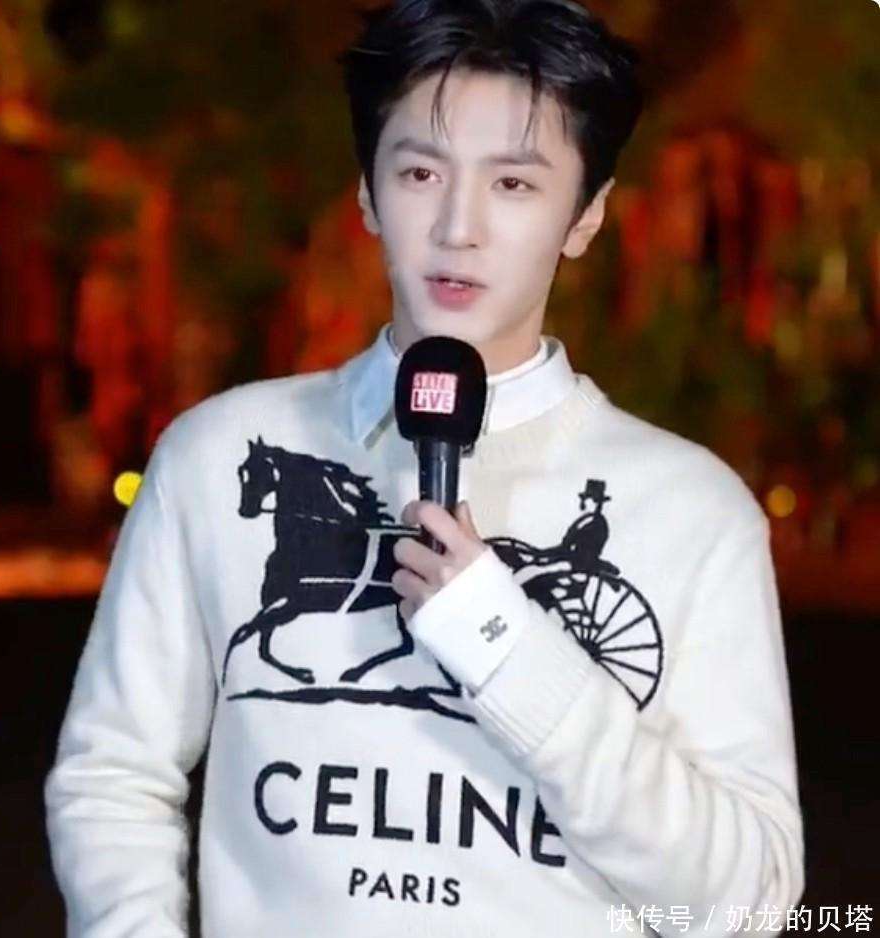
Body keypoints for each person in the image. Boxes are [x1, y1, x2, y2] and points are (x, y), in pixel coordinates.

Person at [44, 1, 805, 935]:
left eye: (514, 184)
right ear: (368, 194)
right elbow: (112, 776)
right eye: (419, 173)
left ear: (586, 216)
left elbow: (747, 906)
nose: (458, 226)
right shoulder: (213, 455)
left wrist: (504, 643)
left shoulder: (693, 512)